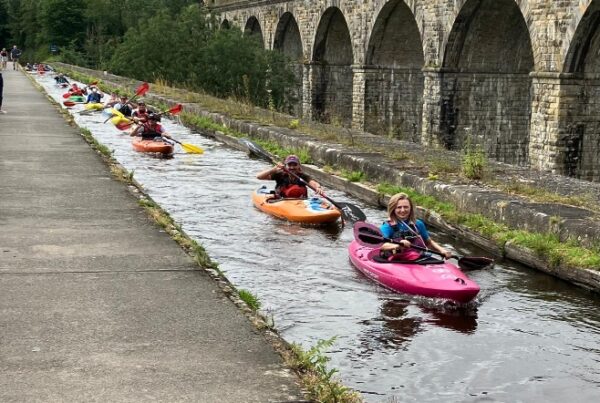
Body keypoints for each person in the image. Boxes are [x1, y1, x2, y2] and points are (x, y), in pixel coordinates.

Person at [379, 192, 452, 262]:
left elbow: (428, 243)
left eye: (406, 207)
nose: (403, 210)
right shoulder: (387, 226)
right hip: (397, 260)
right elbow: (381, 245)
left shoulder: (418, 224)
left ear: (411, 208)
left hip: (418, 259)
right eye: (399, 207)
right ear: (393, 209)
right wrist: (398, 245)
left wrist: (442, 250)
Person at [256, 155, 324, 198]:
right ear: (286, 166)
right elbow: (259, 177)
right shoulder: (280, 174)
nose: (292, 167)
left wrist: (318, 187)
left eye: (294, 165)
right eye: (289, 165)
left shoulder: (303, 176)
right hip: (282, 201)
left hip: (300, 202)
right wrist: (273, 170)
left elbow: (313, 183)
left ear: (299, 166)